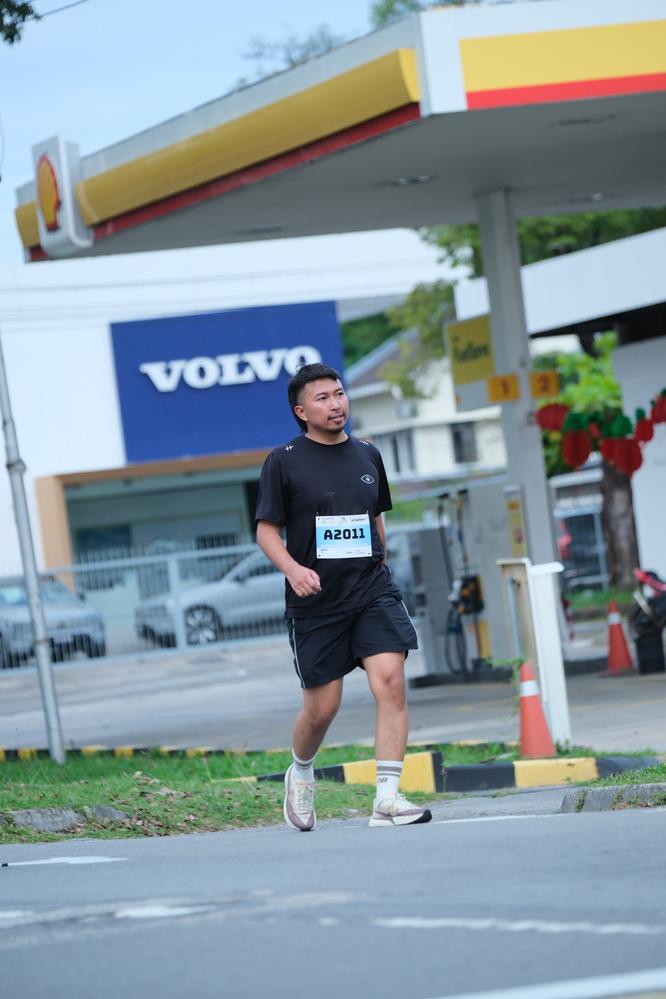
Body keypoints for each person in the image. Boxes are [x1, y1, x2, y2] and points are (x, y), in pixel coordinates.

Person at [255, 362, 431, 831]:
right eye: (323, 398)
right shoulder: (283, 461)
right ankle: (301, 772)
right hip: (316, 603)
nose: (336, 404)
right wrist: (293, 570)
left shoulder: (368, 454)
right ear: (301, 411)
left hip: (371, 590)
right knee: (322, 709)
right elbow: (266, 531)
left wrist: (380, 564)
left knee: (391, 681)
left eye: (339, 393)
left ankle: (387, 798)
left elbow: (376, 519)